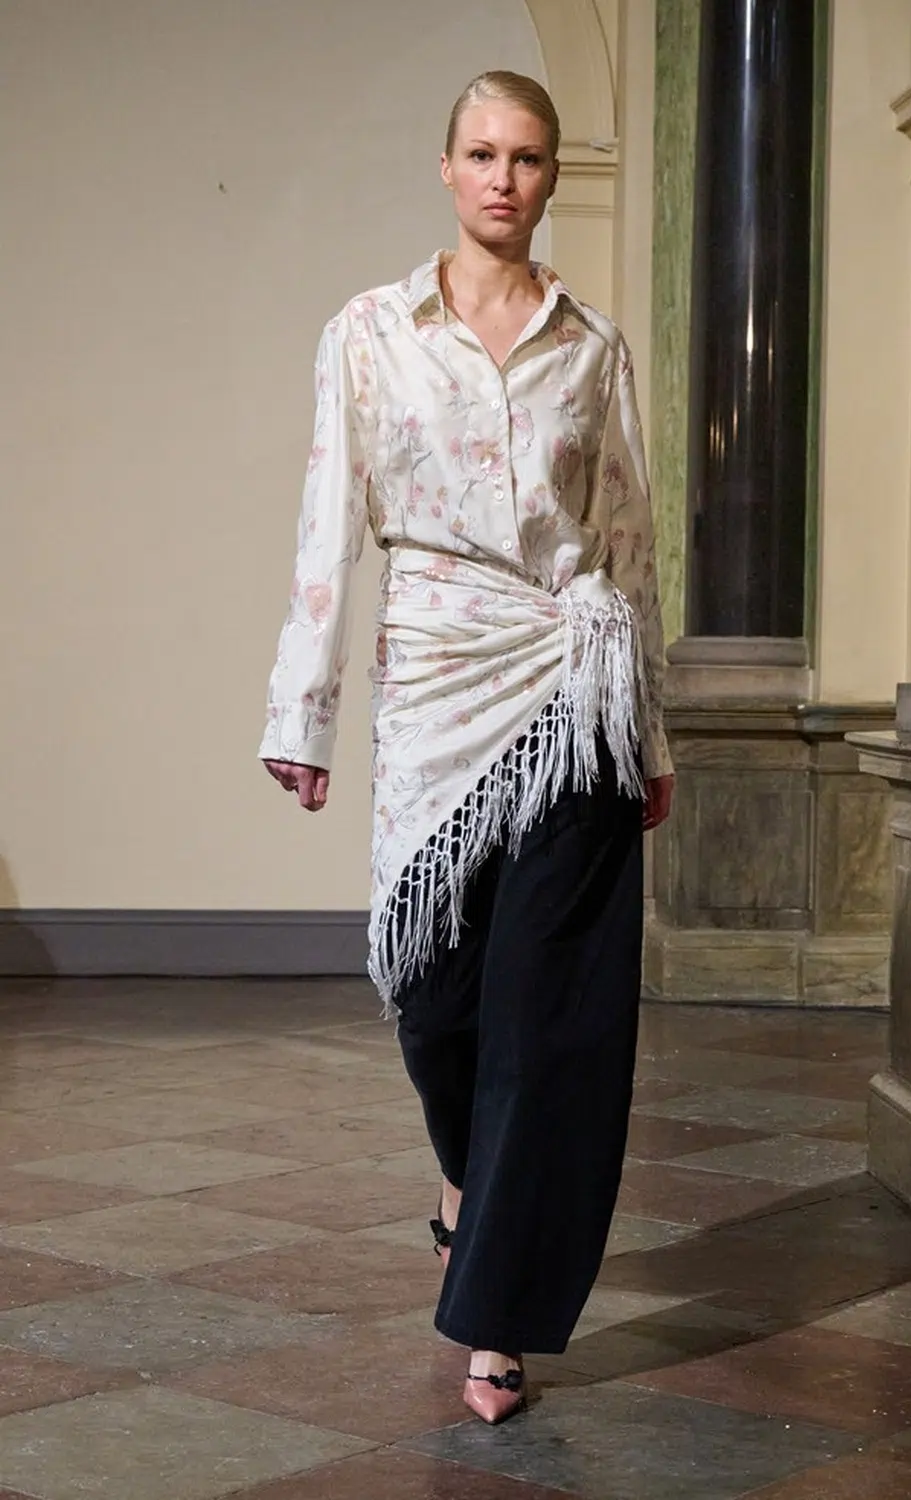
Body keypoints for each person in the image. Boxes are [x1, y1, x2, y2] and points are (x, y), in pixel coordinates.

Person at [259, 70, 674, 1425]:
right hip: (436, 680)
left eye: (530, 157)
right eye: (484, 154)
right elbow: (329, 522)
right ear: (447, 168)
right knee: (436, 1001)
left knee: (548, 1019)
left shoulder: (591, 345)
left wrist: (649, 725)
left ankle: (498, 1317)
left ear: (553, 176)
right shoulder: (370, 333)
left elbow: (629, 542)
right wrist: (302, 711)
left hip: (576, 688)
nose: (506, 179)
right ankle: (467, 1180)